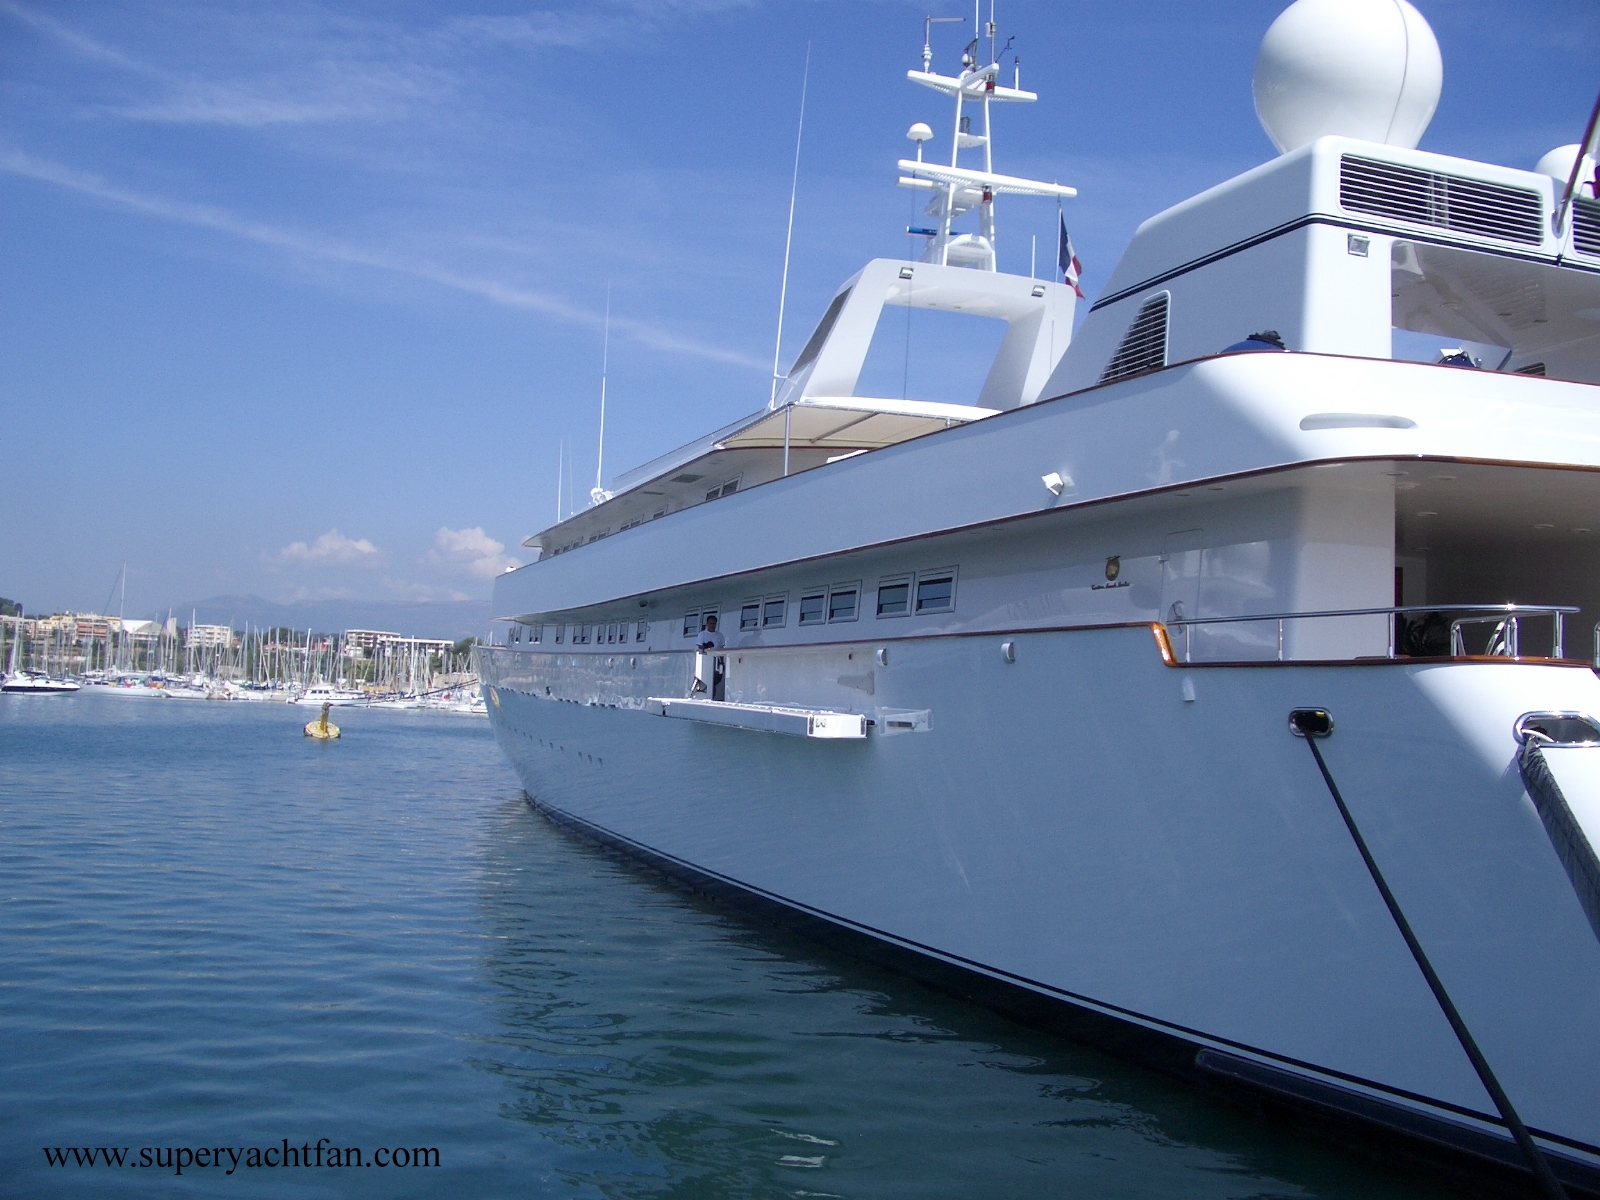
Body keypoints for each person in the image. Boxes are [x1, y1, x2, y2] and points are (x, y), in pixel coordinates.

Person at [691, 615, 726, 700]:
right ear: (707, 624)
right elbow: (700, 649)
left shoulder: (720, 635)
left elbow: (721, 650)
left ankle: (712, 698)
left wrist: (722, 663)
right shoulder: (702, 634)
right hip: (705, 662)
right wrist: (706, 647)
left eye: (714, 624)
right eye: (710, 623)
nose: (712, 625)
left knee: (715, 682)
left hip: (716, 662)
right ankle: (702, 698)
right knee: (704, 681)